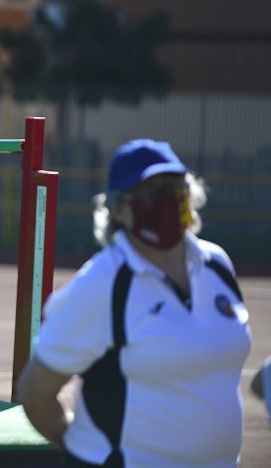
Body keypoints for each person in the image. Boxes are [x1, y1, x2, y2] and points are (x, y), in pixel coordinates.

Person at [18, 139, 251, 466]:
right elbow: (36, 391)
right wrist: (83, 449)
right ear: (116, 208)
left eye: (173, 186)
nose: (165, 200)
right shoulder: (102, 283)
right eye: (148, 192)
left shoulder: (217, 265)